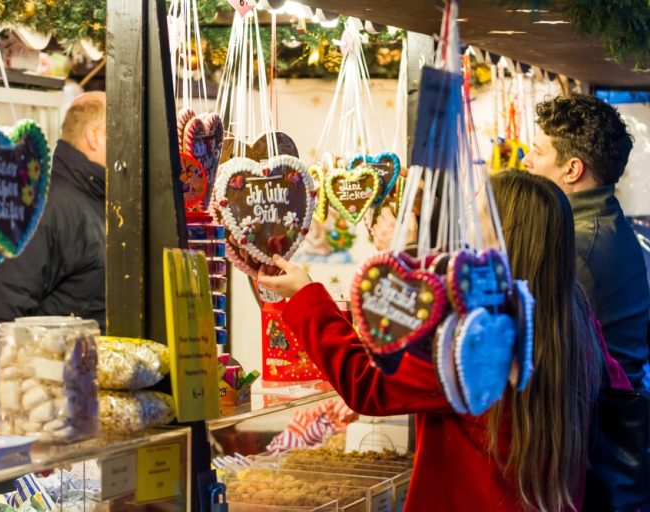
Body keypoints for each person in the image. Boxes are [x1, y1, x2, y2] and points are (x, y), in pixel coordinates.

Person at [258, 171, 624, 511]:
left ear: (499, 237)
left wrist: (305, 295)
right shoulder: (574, 315)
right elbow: (617, 390)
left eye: (477, 215)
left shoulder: (470, 334)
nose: (466, 227)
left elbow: (367, 382)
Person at [0, 91, 107, 431]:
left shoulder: (99, 203)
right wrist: (5, 418)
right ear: (94, 136)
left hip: (77, 419)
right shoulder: (45, 206)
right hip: (38, 426)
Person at [522, 94, 650, 390]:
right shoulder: (604, 219)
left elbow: (541, 351)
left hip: (596, 411)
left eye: (537, 152)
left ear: (572, 170)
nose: (526, 160)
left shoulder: (577, 246)